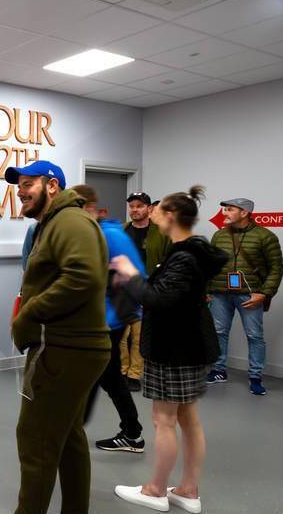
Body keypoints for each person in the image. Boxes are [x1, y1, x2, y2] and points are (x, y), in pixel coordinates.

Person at [112, 186, 228, 514]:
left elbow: (157, 299)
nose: (151, 213)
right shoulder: (190, 253)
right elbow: (169, 292)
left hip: (174, 349)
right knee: (187, 418)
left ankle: (155, 490)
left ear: (171, 215)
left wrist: (131, 275)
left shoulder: (184, 257)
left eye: (157, 209)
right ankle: (188, 490)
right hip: (188, 346)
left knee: (163, 420)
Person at [6, 161, 111, 514]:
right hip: (70, 347)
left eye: (28, 183)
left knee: (35, 440)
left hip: (64, 348)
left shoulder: (69, 221)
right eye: (18, 185)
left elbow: (83, 277)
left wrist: (29, 314)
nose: (20, 191)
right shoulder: (52, 224)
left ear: (52, 186)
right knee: (68, 437)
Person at [71, 185, 145, 454]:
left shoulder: (111, 235)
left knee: (90, 376)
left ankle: (73, 430)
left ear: (88, 208)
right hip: (96, 319)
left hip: (108, 322)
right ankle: (132, 433)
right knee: (110, 377)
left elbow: (137, 275)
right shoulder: (91, 233)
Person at [206, 198, 283, 395]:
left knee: (254, 336)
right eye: (225, 209)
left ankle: (255, 376)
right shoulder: (219, 235)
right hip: (220, 294)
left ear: (244, 213)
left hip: (250, 295)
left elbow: (276, 268)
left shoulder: (265, 236)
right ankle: (218, 370)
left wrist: (264, 293)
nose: (225, 213)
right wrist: (206, 290)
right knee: (218, 332)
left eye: (229, 209)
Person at [123, 192, 172, 392]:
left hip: (146, 290)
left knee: (139, 336)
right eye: (132, 206)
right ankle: (121, 370)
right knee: (119, 336)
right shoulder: (122, 230)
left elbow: (169, 261)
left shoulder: (161, 233)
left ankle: (134, 374)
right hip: (122, 290)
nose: (135, 210)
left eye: (139, 206)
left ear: (149, 209)